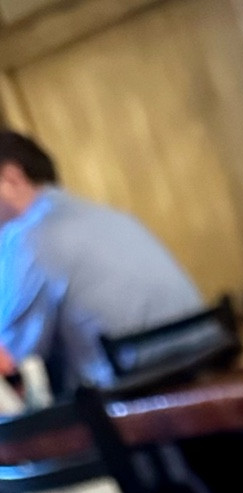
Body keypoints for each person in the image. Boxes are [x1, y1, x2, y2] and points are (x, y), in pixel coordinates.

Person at [0, 130, 202, 394]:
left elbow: (10, 360)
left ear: (12, 180)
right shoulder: (111, 216)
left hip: (136, 400)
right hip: (205, 368)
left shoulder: (29, 237)